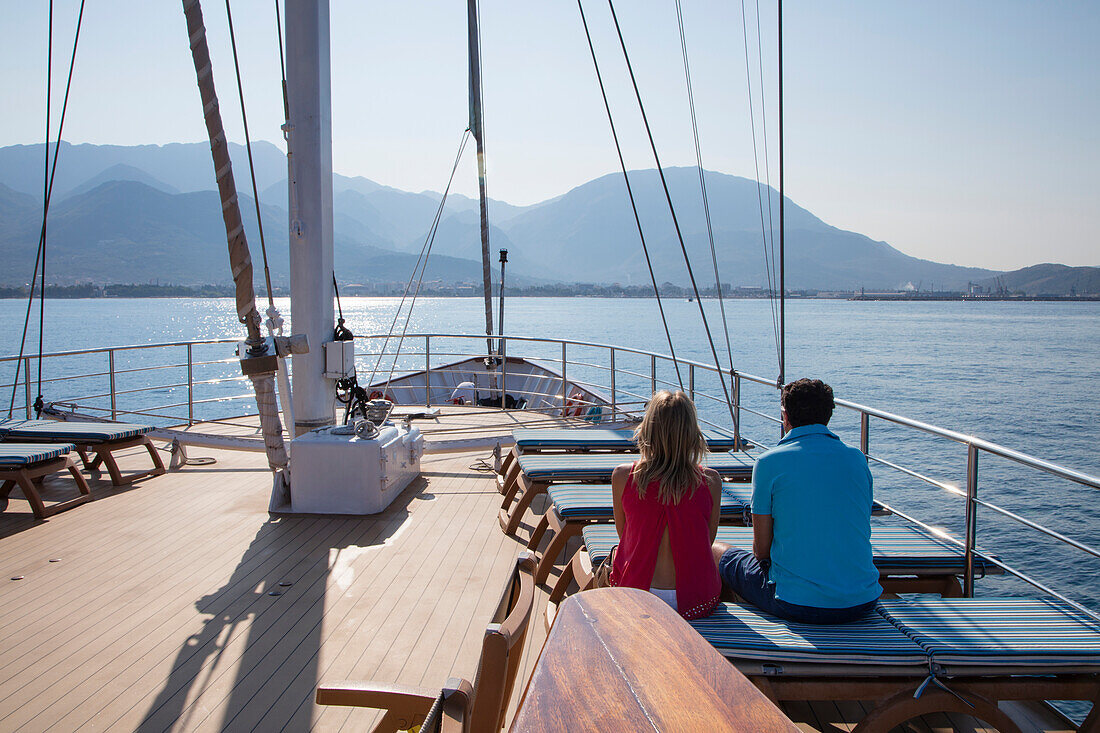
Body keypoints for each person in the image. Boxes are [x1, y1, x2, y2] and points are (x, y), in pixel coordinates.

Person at [713, 378, 881, 623]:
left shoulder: (769, 463)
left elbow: (761, 551)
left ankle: (728, 629)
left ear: (785, 415)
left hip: (796, 603)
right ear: (828, 415)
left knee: (717, 551)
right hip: (862, 601)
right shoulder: (857, 460)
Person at [608, 390, 722, 620]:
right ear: (691, 434)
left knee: (614, 554)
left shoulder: (623, 476)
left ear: (648, 429)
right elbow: (706, 541)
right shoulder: (710, 481)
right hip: (695, 600)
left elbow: (625, 535)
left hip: (638, 593)